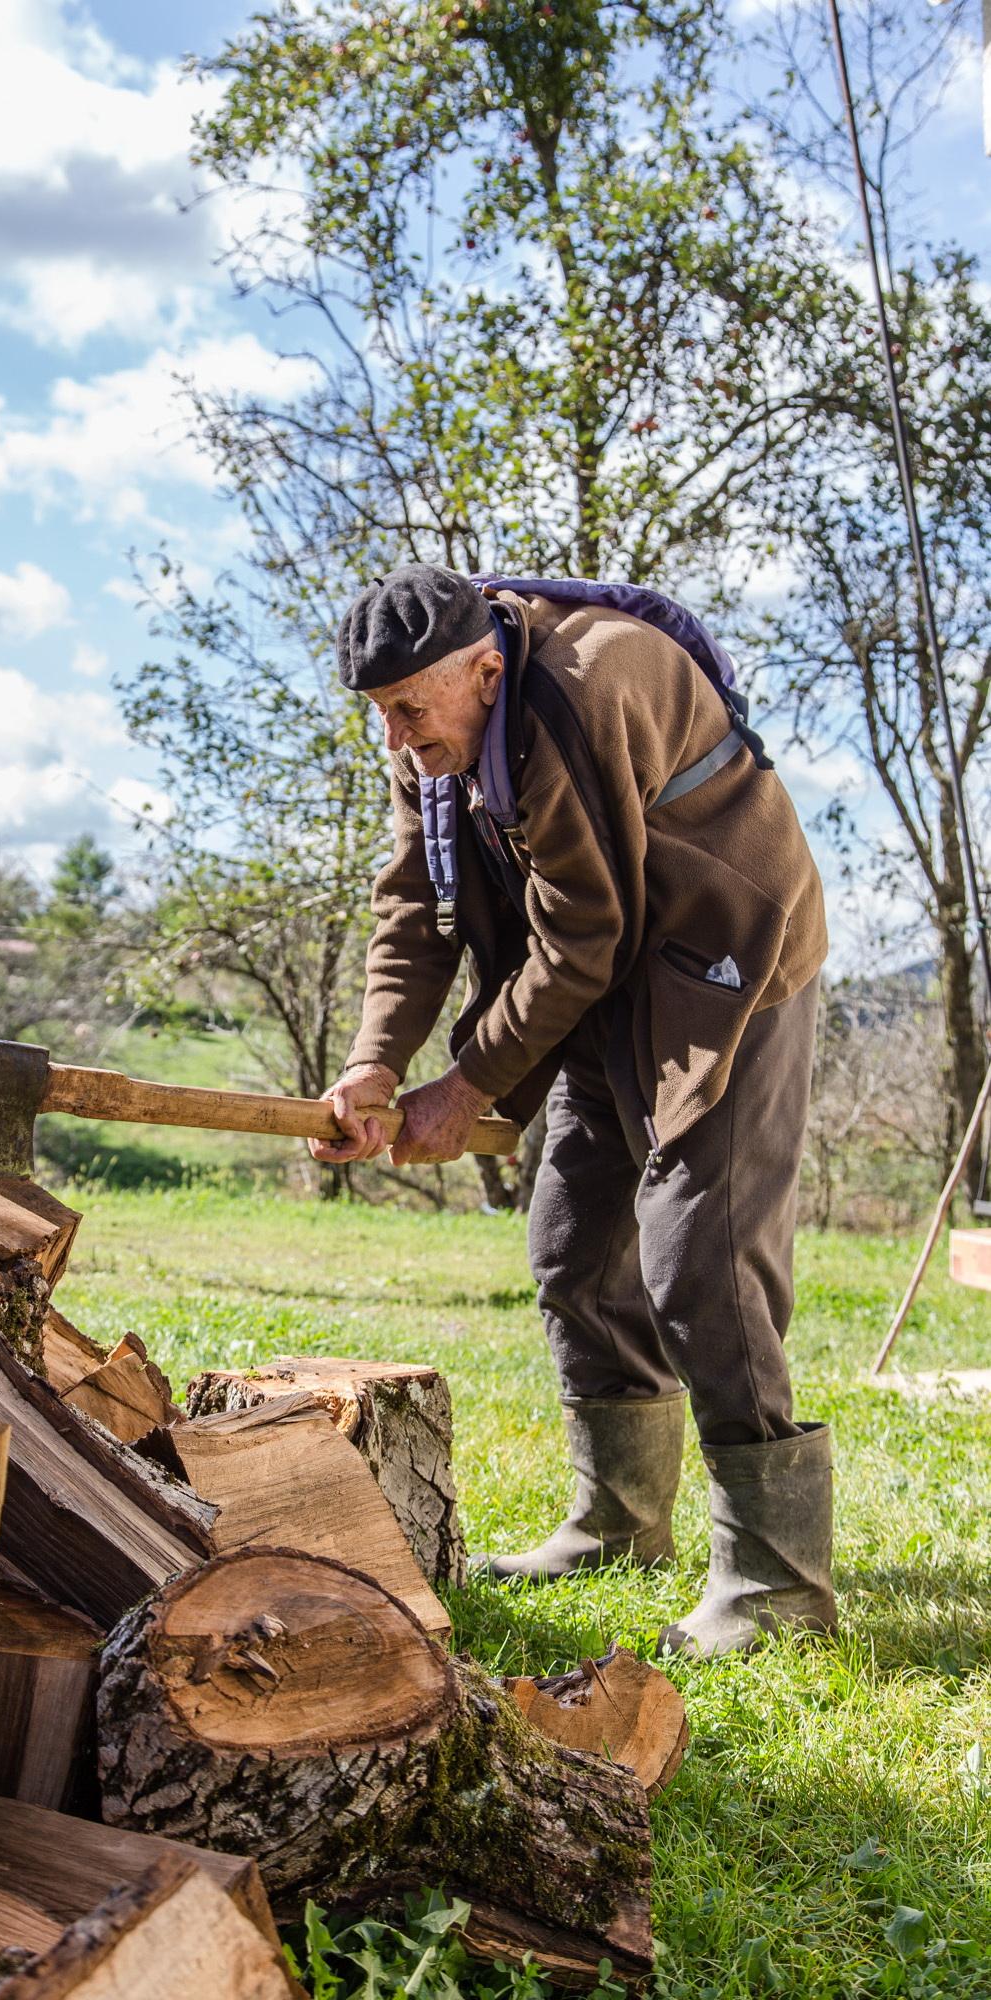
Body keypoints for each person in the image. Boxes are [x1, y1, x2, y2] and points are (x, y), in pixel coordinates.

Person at [311, 563, 835, 1658]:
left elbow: (579, 938)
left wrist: (465, 1086)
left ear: (485, 671)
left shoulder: (573, 693)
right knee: (573, 1242)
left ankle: (776, 1578)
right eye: (380, 717)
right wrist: (373, 1062)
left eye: (412, 710)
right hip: (610, 976)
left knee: (700, 1255)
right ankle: (618, 1521)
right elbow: (415, 905)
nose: (401, 738)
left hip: (725, 957)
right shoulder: (432, 741)